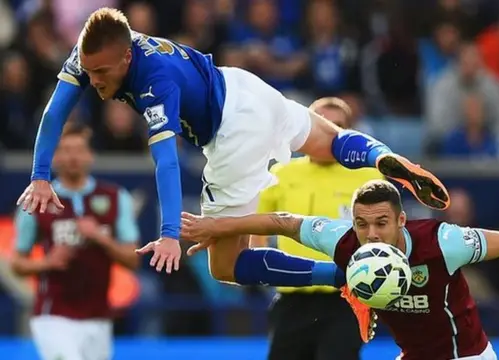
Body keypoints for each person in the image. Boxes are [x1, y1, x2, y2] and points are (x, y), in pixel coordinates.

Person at [15, 8, 450, 291]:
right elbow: (55, 112)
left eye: (102, 73)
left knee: (226, 266)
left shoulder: (154, 83)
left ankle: (346, 277)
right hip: (244, 86)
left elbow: (166, 161)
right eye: (89, 71)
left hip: (230, 133)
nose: (94, 81)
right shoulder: (93, 52)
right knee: (330, 138)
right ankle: (383, 158)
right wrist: (39, 174)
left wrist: (169, 234)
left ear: (127, 58)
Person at [180, 180, 499, 360]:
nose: (371, 234)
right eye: (362, 224)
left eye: (381, 223)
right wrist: (218, 226)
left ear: (400, 220)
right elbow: (281, 222)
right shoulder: (342, 240)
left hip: (467, 358)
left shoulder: (442, 241)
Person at [256, 97, 382, 360]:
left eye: (337, 127)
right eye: (321, 125)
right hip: (292, 297)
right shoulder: (281, 174)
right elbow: (258, 227)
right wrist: (262, 268)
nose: (328, 134)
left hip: (345, 297)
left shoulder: (368, 177)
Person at [10, 123, 140, 360]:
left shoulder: (114, 197)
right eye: (65, 150)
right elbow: (17, 263)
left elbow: (133, 259)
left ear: (91, 155)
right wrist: (47, 263)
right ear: (54, 156)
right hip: (54, 314)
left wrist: (101, 238)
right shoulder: (37, 202)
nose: (72, 157)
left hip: (98, 316)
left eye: (79, 150)